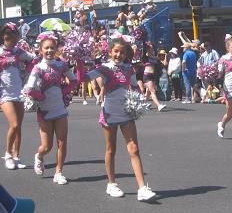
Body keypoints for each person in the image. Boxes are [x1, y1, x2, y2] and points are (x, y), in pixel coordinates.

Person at [77, 37, 156, 201]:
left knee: (134, 149)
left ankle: (142, 188)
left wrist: (139, 97)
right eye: (116, 51)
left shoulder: (129, 69)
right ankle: (111, 184)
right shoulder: (104, 68)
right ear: (110, 52)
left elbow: (134, 86)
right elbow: (83, 78)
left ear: (126, 53)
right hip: (110, 113)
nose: (119, 54)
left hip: (126, 112)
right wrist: (78, 60)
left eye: (122, 52)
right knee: (110, 149)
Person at [24, 32, 78, 184]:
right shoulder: (38, 68)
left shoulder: (61, 65)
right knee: (47, 146)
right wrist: (41, 97)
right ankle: (39, 156)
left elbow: (73, 81)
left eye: (52, 48)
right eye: (46, 48)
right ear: (41, 50)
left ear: (56, 49)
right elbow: (29, 89)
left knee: (62, 142)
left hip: (60, 110)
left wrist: (64, 92)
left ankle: (58, 172)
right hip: (45, 111)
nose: (49, 51)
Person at [0, 23, 35, 170]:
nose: (14, 42)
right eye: (11, 39)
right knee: (14, 124)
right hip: (4, 94)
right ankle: (8, 154)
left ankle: (16, 156)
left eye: (16, 39)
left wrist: (26, 71)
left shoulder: (19, 52)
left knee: (18, 127)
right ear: (4, 37)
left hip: (19, 92)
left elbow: (34, 59)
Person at [142, 42, 166, 111]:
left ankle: (143, 104)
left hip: (153, 76)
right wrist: (145, 42)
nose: (151, 49)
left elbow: (161, 65)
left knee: (148, 92)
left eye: (152, 48)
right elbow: (143, 48)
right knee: (153, 91)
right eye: (149, 48)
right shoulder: (145, 57)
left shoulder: (155, 58)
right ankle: (159, 105)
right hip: (147, 76)